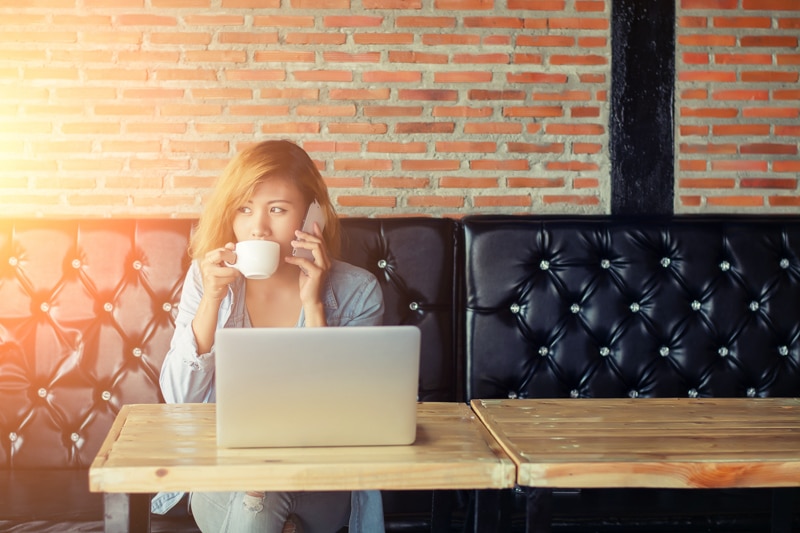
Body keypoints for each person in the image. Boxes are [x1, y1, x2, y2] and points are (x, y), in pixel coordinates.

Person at [150, 139, 386, 533]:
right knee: (256, 490)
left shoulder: (358, 291)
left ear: (314, 216)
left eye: (277, 210)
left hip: (319, 477)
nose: (257, 227)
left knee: (261, 491)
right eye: (244, 209)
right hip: (226, 472)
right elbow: (180, 397)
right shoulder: (206, 278)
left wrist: (314, 306)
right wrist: (211, 300)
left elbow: (344, 411)